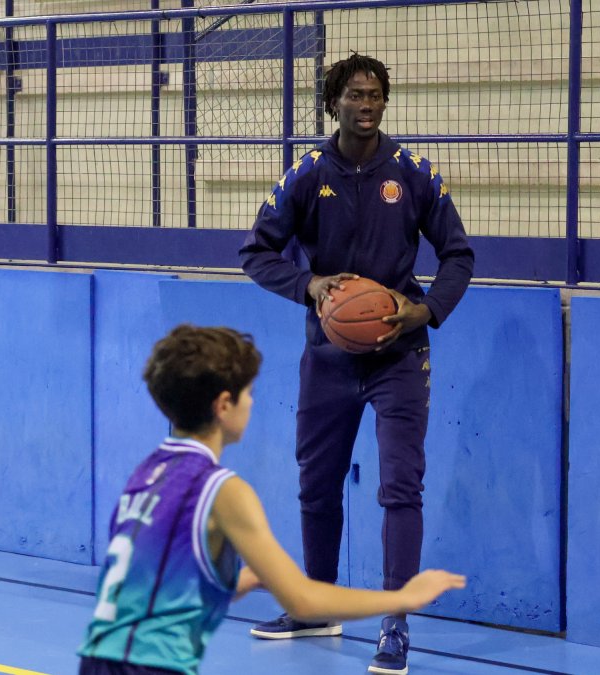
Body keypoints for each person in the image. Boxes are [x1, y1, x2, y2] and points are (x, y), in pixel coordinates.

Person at [238, 53, 474, 675]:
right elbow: (255, 251)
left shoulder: (415, 174)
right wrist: (309, 286)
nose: (366, 106)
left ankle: (394, 623)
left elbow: (459, 256)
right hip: (329, 354)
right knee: (317, 483)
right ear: (333, 102)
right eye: (355, 96)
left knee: (400, 487)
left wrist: (426, 311)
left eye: (376, 96)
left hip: (400, 356)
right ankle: (316, 605)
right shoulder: (306, 174)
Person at [78, 325, 466, 675]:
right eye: (248, 392)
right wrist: (404, 596)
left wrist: (246, 578)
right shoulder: (226, 492)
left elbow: (162, 583)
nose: (252, 402)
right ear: (224, 405)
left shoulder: (145, 474)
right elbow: (305, 601)